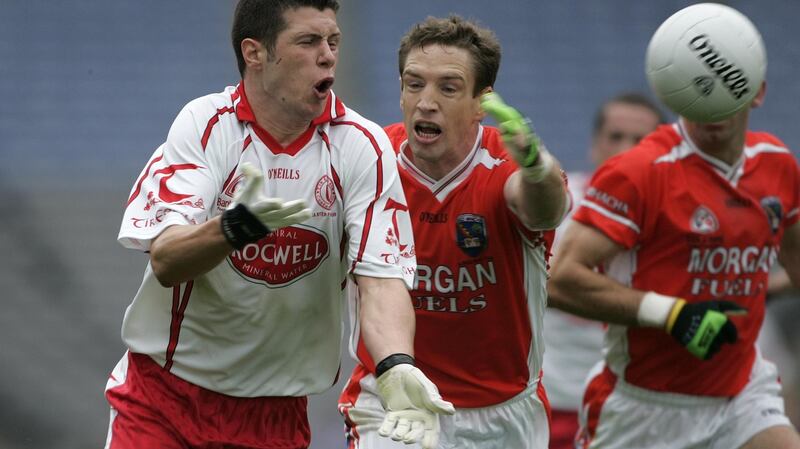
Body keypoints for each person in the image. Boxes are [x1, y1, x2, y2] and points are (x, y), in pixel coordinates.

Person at [103, 1, 454, 448]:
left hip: (277, 414)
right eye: (308, 41)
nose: (327, 55)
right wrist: (233, 228)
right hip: (166, 401)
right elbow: (168, 259)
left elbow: (381, 278)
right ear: (255, 53)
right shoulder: (206, 126)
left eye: (333, 41)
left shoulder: (362, 146)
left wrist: (396, 365)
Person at [547, 14, 800, 449]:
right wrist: (672, 314)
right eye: (699, 87)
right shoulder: (639, 173)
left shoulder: (777, 167)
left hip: (741, 396)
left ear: (757, 92)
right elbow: (559, 279)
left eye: (730, 87)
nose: (712, 106)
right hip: (644, 408)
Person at [338, 15, 569, 449]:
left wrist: (536, 167)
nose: (426, 102)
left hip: (503, 412)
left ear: (482, 102)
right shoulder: (369, 160)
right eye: (414, 84)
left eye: (447, 87)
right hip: (392, 401)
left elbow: (543, 210)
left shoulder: (509, 164)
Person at [542, 92, 666, 449]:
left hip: (634, 405)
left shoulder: (673, 222)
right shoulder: (558, 207)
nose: (626, 149)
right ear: (596, 144)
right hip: (553, 400)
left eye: (640, 140)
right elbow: (530, 283)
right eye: (616, 137)